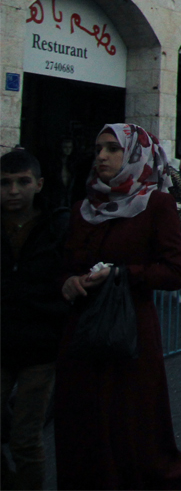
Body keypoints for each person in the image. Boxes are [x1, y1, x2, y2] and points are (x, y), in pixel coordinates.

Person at [54, 124, 181, 489]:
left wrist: (122, 275)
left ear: (135, 154)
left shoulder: (155, 204)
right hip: (82, 330)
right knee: (82, 417)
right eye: (98, 148)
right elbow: (65, 263)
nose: (101, 156)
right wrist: (68, 282)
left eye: (112, 149)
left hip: (131, 331)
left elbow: (175, 271)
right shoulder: (83, 207)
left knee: (131, 417)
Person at [2, 149, 69, 490]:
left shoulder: (56, 226)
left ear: (38, 184)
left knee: (26, 438)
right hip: (2, 342)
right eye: (6, 183)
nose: (14, 190)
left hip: (40, 349)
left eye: (23, 182)